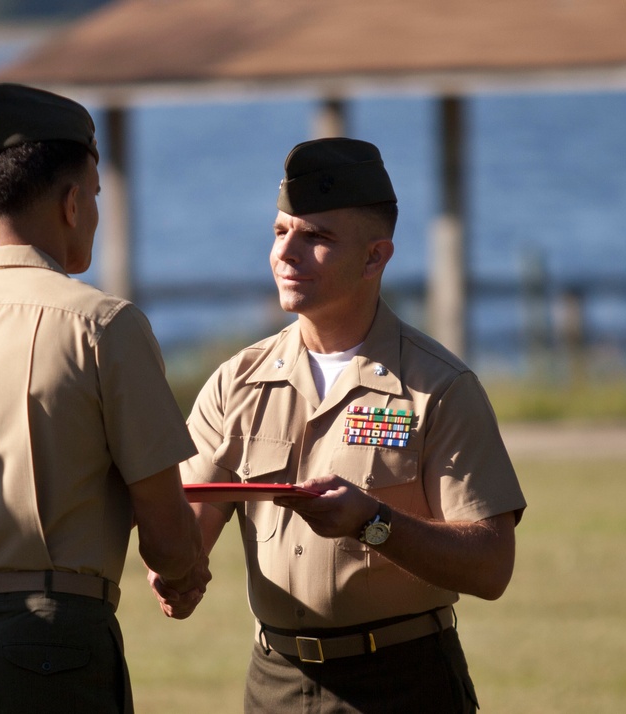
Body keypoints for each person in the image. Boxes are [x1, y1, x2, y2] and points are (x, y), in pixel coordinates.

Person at [0, 83, 208, 714]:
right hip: (59, 646)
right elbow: (166, 536)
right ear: (73, 202)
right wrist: (185, 562)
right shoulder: (105, 327)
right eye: (96, 197)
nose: (97, 215)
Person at [150, 138, 526, 712]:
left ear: (375, 258)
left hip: (403, 682)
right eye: (280, 232)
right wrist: (176, 571)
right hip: (274, 681)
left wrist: (373, 523)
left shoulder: (438, 387)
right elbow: (187, 527)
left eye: (316, 238)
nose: (286, 254)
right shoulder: (237, 383)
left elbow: (492, 565)